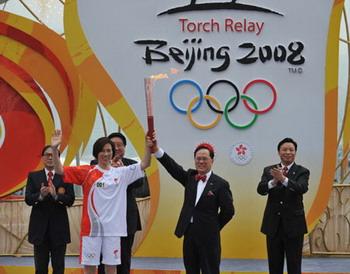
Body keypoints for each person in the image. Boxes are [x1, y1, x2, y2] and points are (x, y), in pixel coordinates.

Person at [50, 129, 152, 274]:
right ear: (96, 153)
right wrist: (55, 149)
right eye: (103, 151)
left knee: (111, 268)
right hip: (92, 230)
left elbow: (145, 164)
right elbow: (59, 170)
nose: (106, 154)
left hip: (113, 230)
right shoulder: (87, 172)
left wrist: (148, 147)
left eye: (109, 150)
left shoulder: (121, 173)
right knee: (90, 268)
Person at [152, 136, 235, 274]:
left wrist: (213, 226)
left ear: (212, 160)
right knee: (191, 269)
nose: (201, 161)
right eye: (198, 158)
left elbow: (229, 211)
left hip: (209, 237)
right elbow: (173, 168)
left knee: (210, 270)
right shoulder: (190, 177)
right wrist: (156, 150)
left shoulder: (221, 184)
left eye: (204, 158)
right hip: (189, 233)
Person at [92, 132, 150, 274]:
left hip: (126, 219)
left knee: (124, 258)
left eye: (120, 145)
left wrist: (122, 173)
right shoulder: (96, 164)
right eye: (113, 146)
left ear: (125, 147)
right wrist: (111, 171)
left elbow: (140, 182)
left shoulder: (131, 164)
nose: (117, 148)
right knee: (102, 259)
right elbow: (95, 183)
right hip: (103, 221)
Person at [257, 137, 310, 274]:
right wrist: (273, 182)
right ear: (279, 152)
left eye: (291, 150)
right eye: (284, 149)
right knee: (274, 265)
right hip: (273, 225)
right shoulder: (269, 170)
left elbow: (301, 188)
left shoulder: (302, 171)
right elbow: (261, 190)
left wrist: (284, 179)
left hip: (294, 226)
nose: (288, 152)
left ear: (295, 152)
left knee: (294, 265)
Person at [25, 145, 75, 274]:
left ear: (58, 158)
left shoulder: (65, 175)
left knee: (58, 268)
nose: (50, 157)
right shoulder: (33, 176)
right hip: (39, 230)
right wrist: (40, 195)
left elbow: (70, 200)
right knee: (40, 268)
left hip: (59, 230)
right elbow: (28, 199)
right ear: (42, 158)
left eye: (54, 155)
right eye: (47, 154)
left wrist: (55, 195)